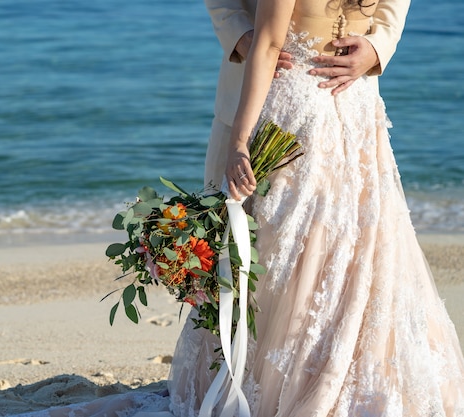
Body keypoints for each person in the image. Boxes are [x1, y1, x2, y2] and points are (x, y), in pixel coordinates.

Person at [167, 0, 464, 416]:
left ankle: (281, 379)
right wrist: (243, 39)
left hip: (296, 103)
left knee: (283, 245)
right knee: (354, 244)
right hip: (352, 108)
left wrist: (239, 141)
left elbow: (270, 44)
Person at [203, 0, 410, 192]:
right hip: (268, 97)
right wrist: (242, 36)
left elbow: (268, 47)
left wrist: (377, 48)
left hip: (346, 108)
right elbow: (266, 46)